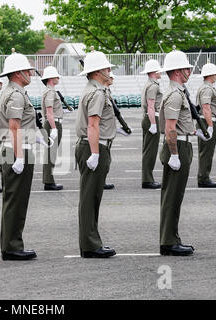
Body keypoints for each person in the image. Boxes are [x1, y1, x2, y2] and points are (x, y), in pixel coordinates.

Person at [75, 47, 117, 258]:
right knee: (90, 199)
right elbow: (93, 124)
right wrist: (95, 153)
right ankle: (91, 245)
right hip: (94, 146)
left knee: (91, 198)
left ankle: (90, 242)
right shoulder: (97, 93)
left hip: (93, 145)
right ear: (98, 71)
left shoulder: (96, 89)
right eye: (106, 68)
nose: (110, 70)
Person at [0, 49, 37, 261]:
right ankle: (12, 247)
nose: (30, 74)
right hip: (16, 151)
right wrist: (20, 157)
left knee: (13, 201)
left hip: (13, 149)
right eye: (27, 71)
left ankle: (10, 244)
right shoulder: (16, 95)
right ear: (17, 73)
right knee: (16, 202)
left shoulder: (12, 92)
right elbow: (14, 126)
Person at [159, 47, 199, 256]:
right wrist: (174, 154)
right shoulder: (175, 94)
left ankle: (171, 238)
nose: (189, 72)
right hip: (178, 148)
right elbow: (170, 128)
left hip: (183, 144)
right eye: (186, 68)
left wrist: (191, 130)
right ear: (176, 71)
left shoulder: (178, 92)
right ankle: (168, 241)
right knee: (172, 197)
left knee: (174, 196)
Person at [196, 62, 216, 188]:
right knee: (206, 152)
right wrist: (210, 126)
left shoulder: (207, 87)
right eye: (215, 74)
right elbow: (206, 107)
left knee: (206, 151)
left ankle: (204, 177)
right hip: (207, 122)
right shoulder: (207, 88)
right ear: (210, 75)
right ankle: (203, 178)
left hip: (206, 121)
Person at [140, 60, 163, 189]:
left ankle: (147, 178)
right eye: (158, 70)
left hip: (148, 118)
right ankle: (148, 179)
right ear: (154, 72)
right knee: (150, 151)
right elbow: (151, 106)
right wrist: (153, 124)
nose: (160, 73)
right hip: (151, 118)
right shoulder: (153, 86)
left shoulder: (149, 84)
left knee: (147, 150)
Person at [40, 66, 64, 191]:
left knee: (51, 153)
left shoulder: (50, 91)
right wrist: (54, 128)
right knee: (51, 154)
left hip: (53, 123)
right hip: (52, 124)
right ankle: (48, 182)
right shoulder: (50, 92)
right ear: (50, 78)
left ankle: (48, 180)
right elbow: (49, 112)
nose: (58, 77)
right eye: (56, 76)